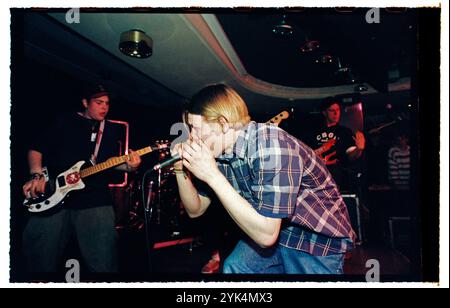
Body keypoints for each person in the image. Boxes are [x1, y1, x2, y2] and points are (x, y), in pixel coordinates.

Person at [172, 84, 356, 274]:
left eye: (195, 128)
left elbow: (267, 235)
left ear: (223, 123)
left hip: (314, 236)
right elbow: (195, 209)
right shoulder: (220, 154)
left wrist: (212, 175)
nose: (192, 137)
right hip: (276, 229)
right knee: (235, 267)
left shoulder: (270, 145)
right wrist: (179, 170)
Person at [22, 84, 141, 273]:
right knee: (39, 255)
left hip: (94, 198)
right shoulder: (64, 120)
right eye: (99, 102)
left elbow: (108, 161)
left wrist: (129, 166)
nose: (104, 107)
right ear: (85, 102)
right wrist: (36, 174)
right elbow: (36, 149)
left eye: (107, 103)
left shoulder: (109, 128)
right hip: (55, 193)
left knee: (103, 260)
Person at [309, 97, 366, 191]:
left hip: (337, 178)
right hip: (316, 178)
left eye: (338, 110)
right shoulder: (312, 132)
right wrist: (322, 149)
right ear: (324, 113)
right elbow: (306, 155)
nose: (336, 113)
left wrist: (359, 149)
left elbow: (351, 157)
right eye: (332, 110)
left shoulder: (345, 132)